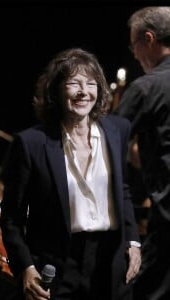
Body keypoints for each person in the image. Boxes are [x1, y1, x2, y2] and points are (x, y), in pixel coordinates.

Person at [0, 48, 141, 300]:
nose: (83, 91)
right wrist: (25, 267)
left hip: (111, 260)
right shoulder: (30, 143)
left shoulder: (118, 129)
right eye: (74, 83)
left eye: (90, 83)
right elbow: (11, 217)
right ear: (55, 90)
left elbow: (123, 190)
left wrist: (133, 241)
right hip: (57, 264)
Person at [113, 6, 170, 300]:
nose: (134, 54)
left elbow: (104, 147)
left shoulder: (146, 87)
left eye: (134, 45)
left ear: (148, 39)